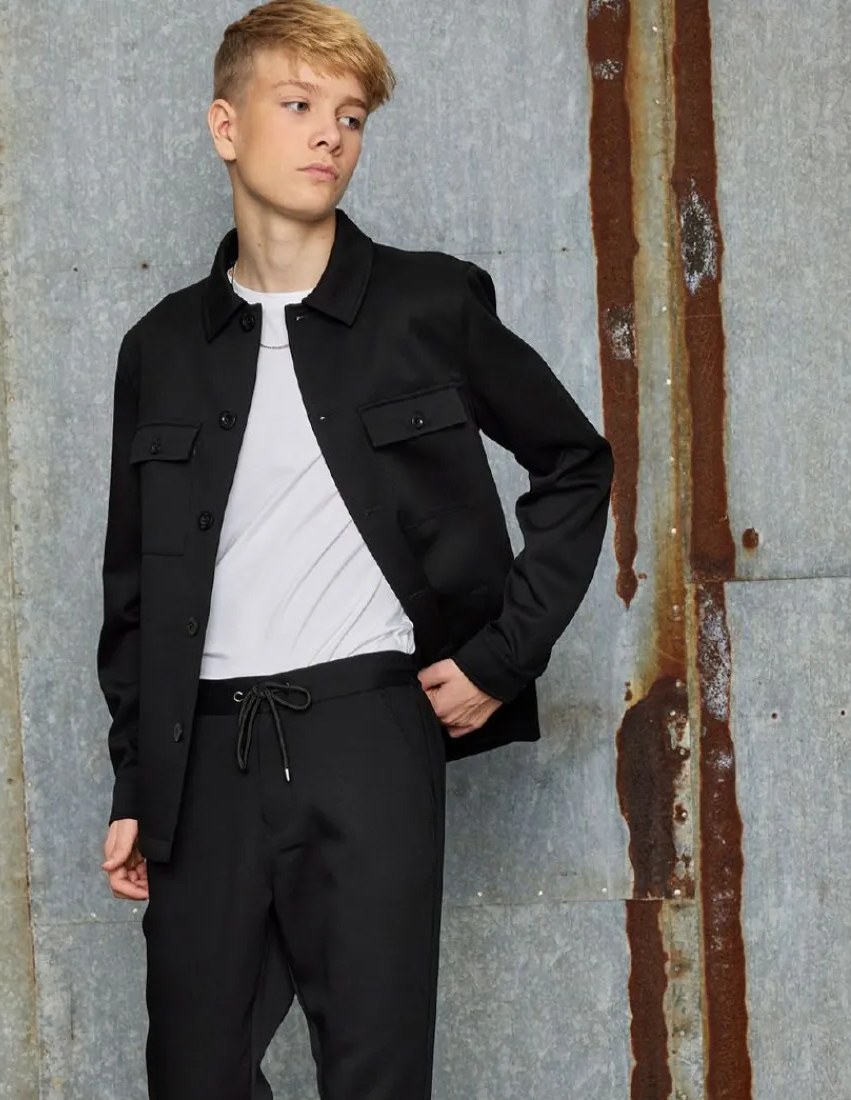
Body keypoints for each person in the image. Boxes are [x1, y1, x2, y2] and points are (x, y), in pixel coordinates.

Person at [96, 1, 614, 1097]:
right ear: (226, 126)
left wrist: (501, 656)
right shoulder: (160, 349)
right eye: (298, 105)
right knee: (193, 1073)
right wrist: (137, 781)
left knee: (375, 1073)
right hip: (205, 755)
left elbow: (575, 463)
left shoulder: (427, 304)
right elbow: (133, 592)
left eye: (351, 116)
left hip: (367, 735)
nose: (329, 134)